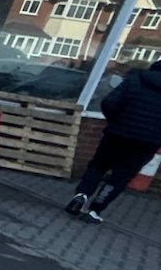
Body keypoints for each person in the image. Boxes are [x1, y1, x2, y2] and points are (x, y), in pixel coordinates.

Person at [66, 60, 161, 222]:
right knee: (121, 176)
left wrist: (116, 122)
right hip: (146, 143)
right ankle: (95, 210)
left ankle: (81, 195)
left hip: (116, 134)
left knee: (98, 166)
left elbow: (109, 102)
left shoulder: (134, 80)